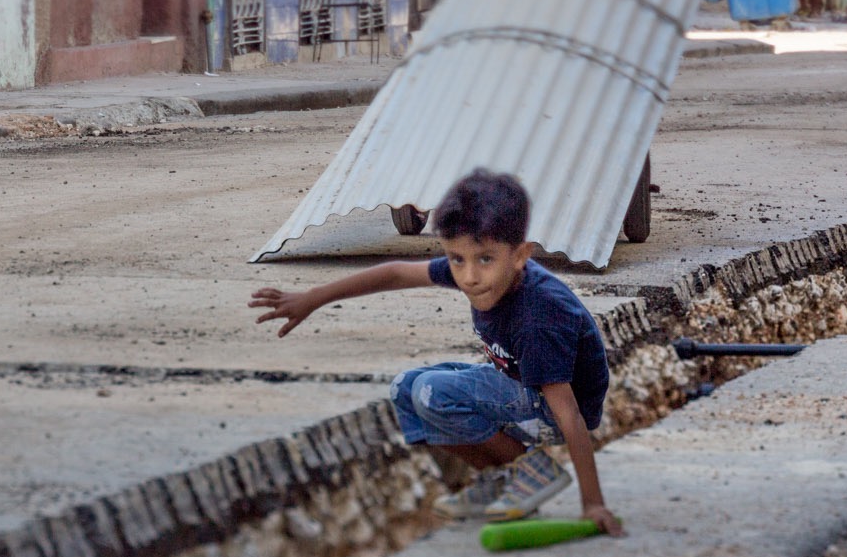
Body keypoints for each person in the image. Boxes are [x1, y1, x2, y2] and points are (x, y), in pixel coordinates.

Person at [249, 169, 619, 531]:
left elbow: (569, 413)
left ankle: (529, 470)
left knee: (434, 392)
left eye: (484, 259)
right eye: (457, 259)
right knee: (406, 389)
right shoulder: (480, 272)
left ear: (520, 255)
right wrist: (313, 298)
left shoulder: (538, 315)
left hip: (553, 411)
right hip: (519, 389)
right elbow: (394, 273)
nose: (469, 277)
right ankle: (502, 479)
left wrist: (593, 504)